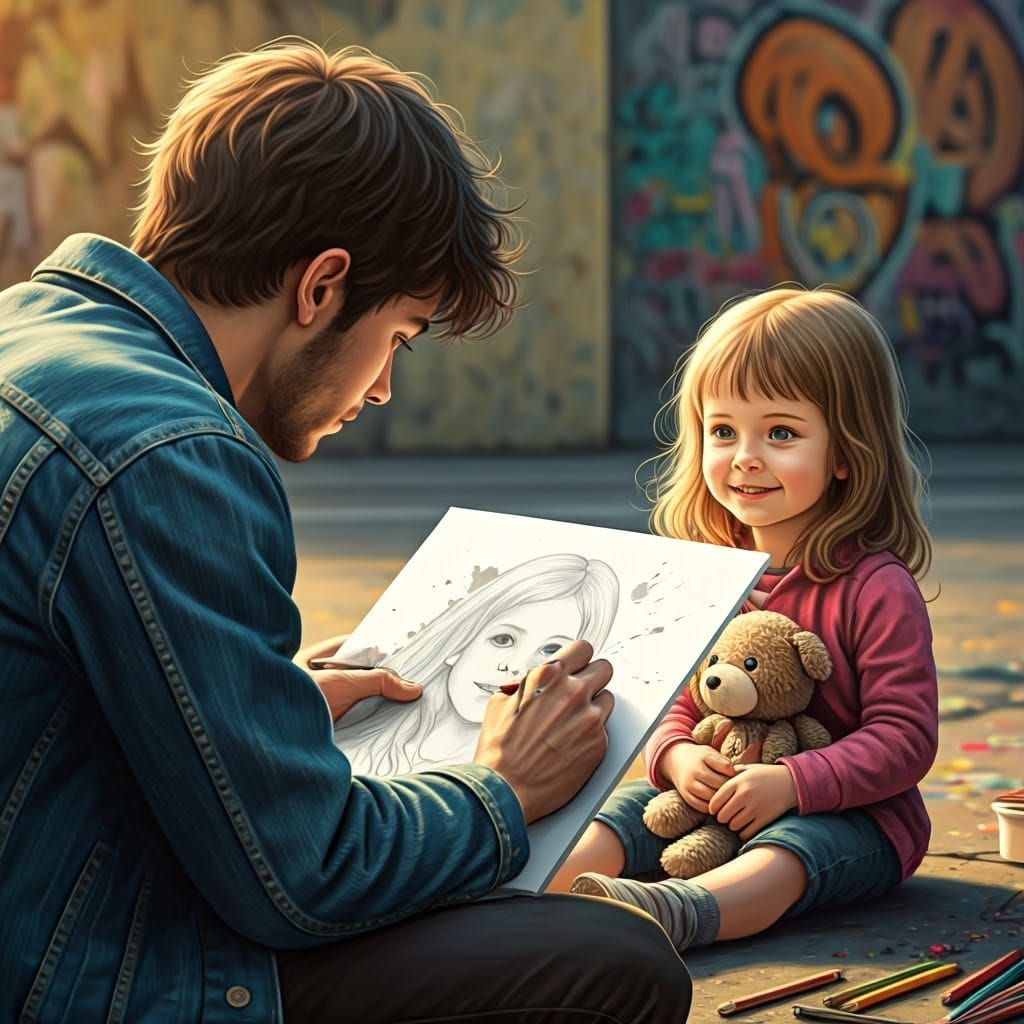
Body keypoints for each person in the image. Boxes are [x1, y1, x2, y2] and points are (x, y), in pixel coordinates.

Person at [0, 40, 692, 1024]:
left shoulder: (28, 331)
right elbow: (304, 874)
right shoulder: (172, 450)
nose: (382, 388)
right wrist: (503, 788)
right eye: (397, 335)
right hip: (73, 979)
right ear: (322, 286)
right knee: (615, 962)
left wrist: (258, 707)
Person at [551, 286, 939, 958]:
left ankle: (681, 912)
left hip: (851, 815)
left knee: (793, 850)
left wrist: (794, 782)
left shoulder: (877, 588)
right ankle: (535, 898)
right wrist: (677, 756)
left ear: (847, 451)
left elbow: (905, 737)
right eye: (724, 431)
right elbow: (678, 701)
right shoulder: (709, 571)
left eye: (781, 433)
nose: (745, 456)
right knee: (624, 812)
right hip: (714, 799)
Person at [334, 553, 620, 775]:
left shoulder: (549, 769)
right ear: (459, 642)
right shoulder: (344, 738)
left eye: (551, 651)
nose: (515, 667)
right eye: (503, 639)